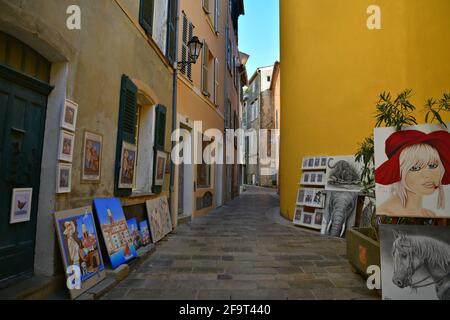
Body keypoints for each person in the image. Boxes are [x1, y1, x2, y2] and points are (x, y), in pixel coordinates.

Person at [375, 130, 450, 217]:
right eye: (415, 168)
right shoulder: (386, 213)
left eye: (433, 165)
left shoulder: (428, 214)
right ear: (399, 171)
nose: (428, 175)